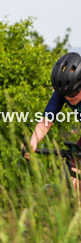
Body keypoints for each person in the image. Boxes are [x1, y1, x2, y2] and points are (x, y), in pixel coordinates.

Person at [24, 52, 81, 187]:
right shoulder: (65, 90)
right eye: (64, 95)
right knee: (75, 180)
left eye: (72, 94)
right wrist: (32, 142)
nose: (68, 98)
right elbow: (46, 121)